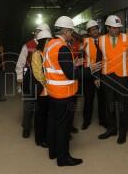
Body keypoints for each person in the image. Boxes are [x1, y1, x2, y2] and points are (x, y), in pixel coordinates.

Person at [43, 16, 101, 166]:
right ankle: (63, 158)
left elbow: (57, 66)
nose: (72, 35)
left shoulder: (50, 44)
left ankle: (53, 152)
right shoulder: (62, 47)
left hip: (53, 93)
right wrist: (91, 69)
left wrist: (72, 63)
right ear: (66, 31)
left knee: (54, 123)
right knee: (63, 127)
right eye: (71, 32)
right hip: (64, 94)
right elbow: (72, 74)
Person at [95, 15, 128, 144]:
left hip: (123, 76)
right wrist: (97, 76)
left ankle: (123, 132)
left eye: (118, 28)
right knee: (109, 105)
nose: (117, 30)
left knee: (123, 106)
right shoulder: (100, 40)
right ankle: (112, 129)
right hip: (107, 76)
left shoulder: (127, 38)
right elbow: (98, 59)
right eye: (113, 28)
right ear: (108, 28)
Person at [15, 23, 50, 138]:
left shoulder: (49, 45)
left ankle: (40, 127)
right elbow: (20, 63)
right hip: (30, 79)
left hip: (45, 80)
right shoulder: (27, 45)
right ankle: (26, 127)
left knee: (41, 105)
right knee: (29, 104)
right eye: (38, 31)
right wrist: (19, 78)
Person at [81, 20, 106, 130]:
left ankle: (103, 120)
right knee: (88, 99)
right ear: (89, 32)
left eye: (96, 28)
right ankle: (86, 121)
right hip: (89, 74)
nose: (95, 31)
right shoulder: (84, 41)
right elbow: (80, 56)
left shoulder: (104, 40)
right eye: (92, 30)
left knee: (102, 98)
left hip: (102, 73)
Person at [31, 30, 52, 148]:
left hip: (49, 89)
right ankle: (39, 139)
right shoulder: (36, 54)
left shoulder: (48, 52)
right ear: (43, 41)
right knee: (40, 114)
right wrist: (47, 82)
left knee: (47, 114)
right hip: (41, 89)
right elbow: (38, 73)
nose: (50, 42)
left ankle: (46, 136)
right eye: (48, 40)